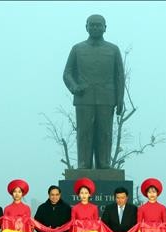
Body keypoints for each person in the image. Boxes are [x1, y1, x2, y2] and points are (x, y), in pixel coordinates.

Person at [63, 14, 125, 170]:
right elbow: (67, 73)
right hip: (84, 98)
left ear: (105, 28)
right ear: (86, 27)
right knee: (84, 133)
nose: (96, 28)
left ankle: (104, 163)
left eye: (99, 25)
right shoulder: (77, 49)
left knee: (105, 133)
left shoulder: (113, 49)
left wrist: (119, 99)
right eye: (92, 25)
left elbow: (119, 76)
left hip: (107, 99)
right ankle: (84, 163)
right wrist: (74, 87)